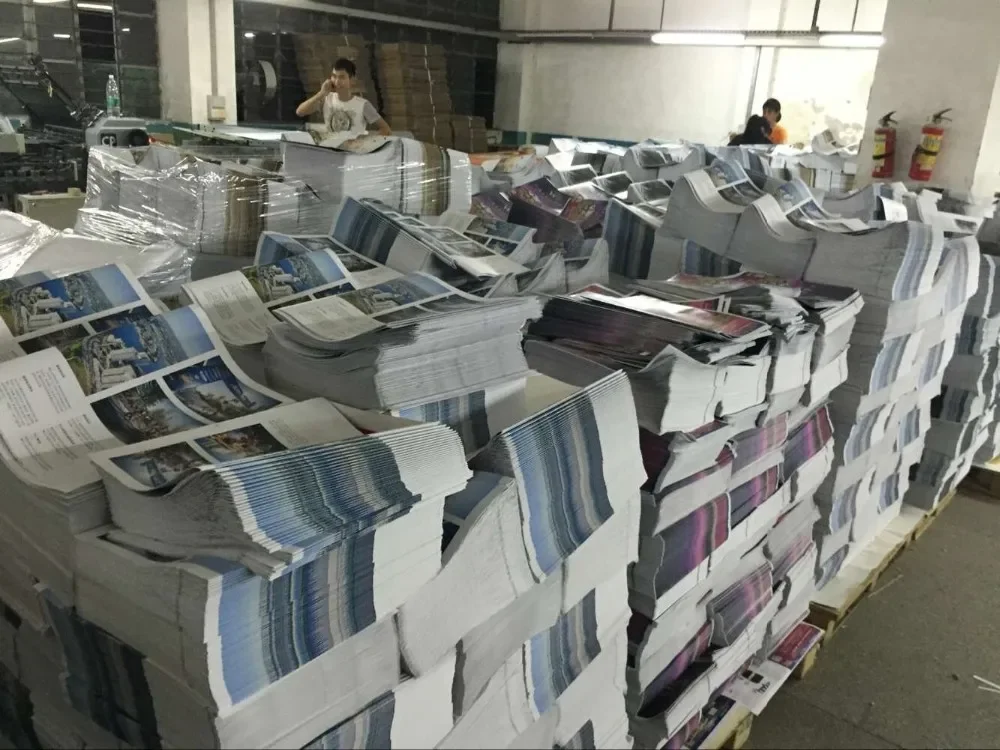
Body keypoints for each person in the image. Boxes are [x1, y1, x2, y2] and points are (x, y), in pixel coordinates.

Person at [296, 58, 392, 136]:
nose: (337, 81)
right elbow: (300, 112)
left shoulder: (363, 105)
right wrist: (321, 93)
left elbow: (386, 129)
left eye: (342, 77)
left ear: (352, 80)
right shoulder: (326, 99)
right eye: (334, 76)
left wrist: (366, 142)